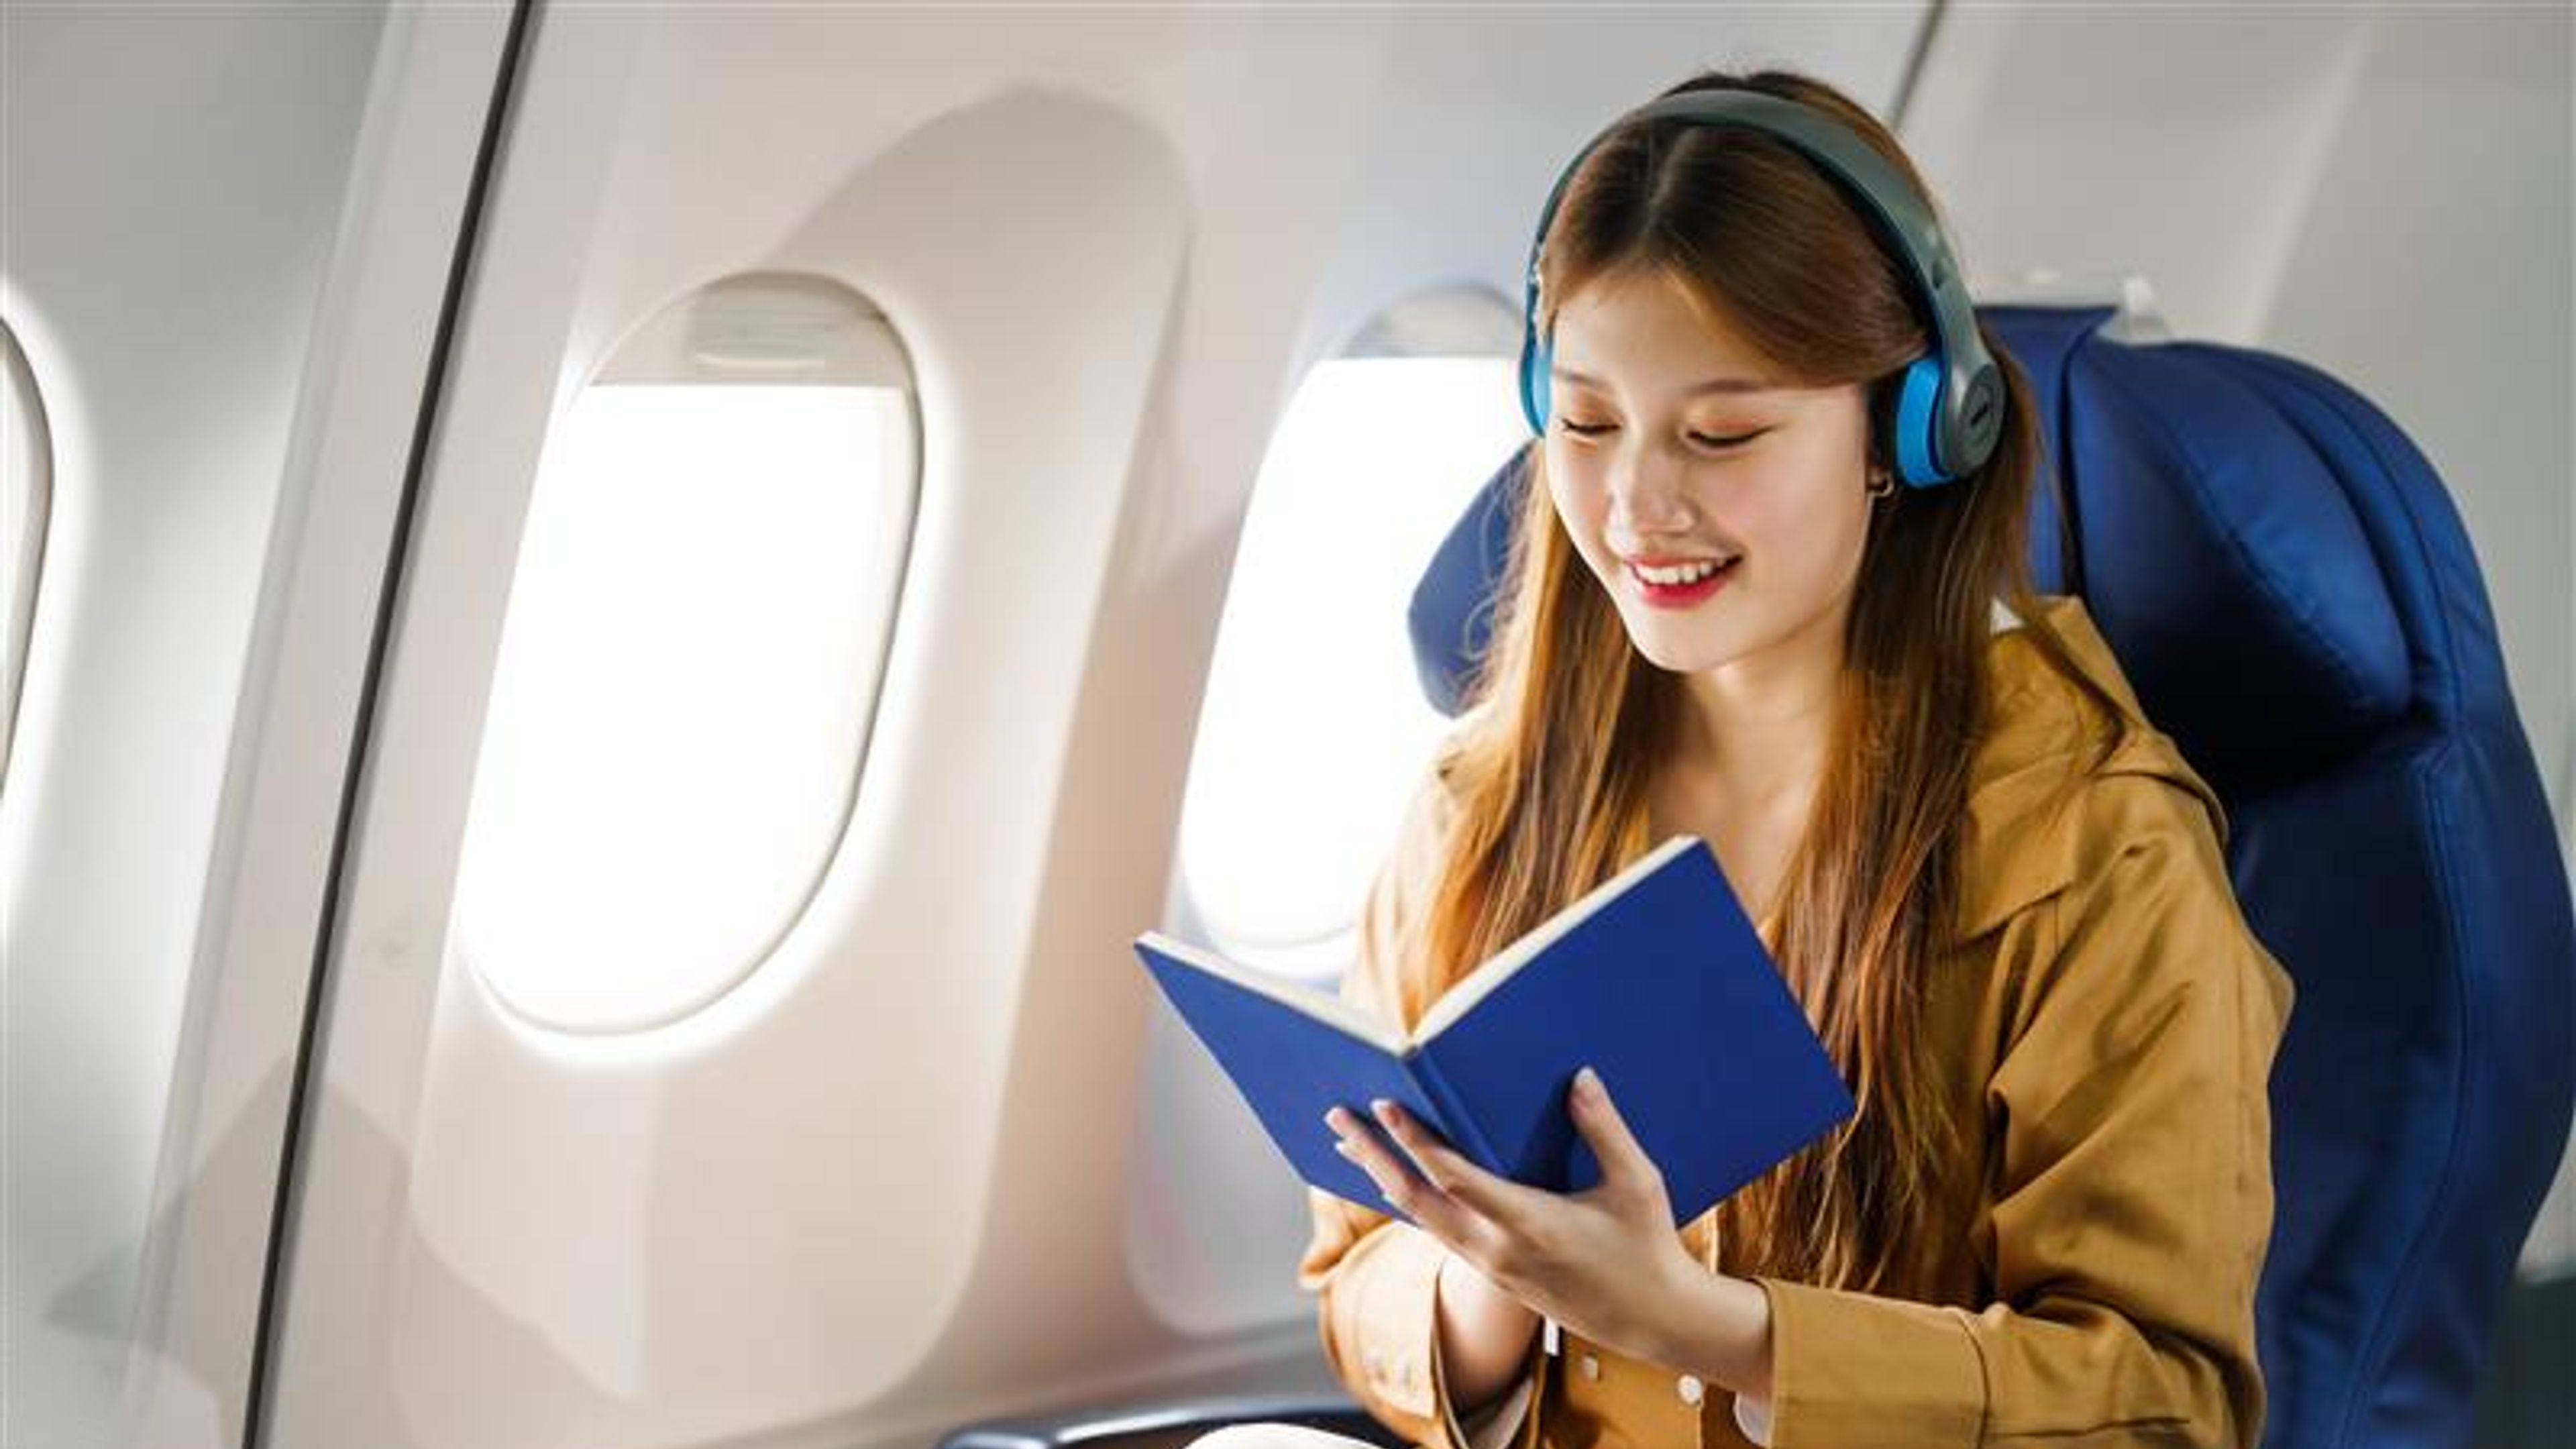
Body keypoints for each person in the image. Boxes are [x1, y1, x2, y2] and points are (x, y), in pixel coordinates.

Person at [1191, 64, 2296, 1449]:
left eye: (1722, 434)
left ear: (1906, 432)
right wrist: (1488, 1274)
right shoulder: (1486, 804)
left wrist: (1699, 1327)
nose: (1639, 505)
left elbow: (2162, 1406)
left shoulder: (2087, 846)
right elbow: (1357, 1274)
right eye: (1587, 422)